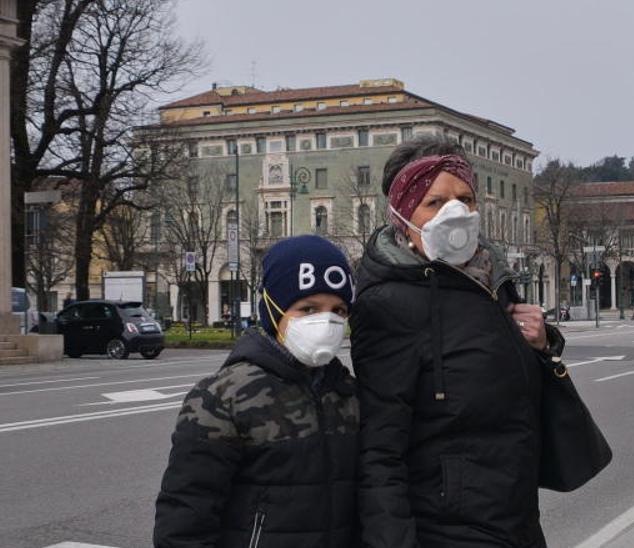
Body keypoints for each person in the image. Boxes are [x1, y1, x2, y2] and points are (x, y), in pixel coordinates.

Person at [354, 136, 566, 547]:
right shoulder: (388, 303)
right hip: (447, 530)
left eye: (465, 199)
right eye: (434, 202)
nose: (456, 212)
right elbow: (379, 453)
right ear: (401, 213)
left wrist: (541, 344)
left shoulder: (490, 280)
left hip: (514, 518)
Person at [154, 235, 359, 547]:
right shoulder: (220, 399)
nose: (326, 321)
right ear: (273, 309)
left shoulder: (349, 395)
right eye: (307, 308)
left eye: (339, 310)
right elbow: (185, 519)